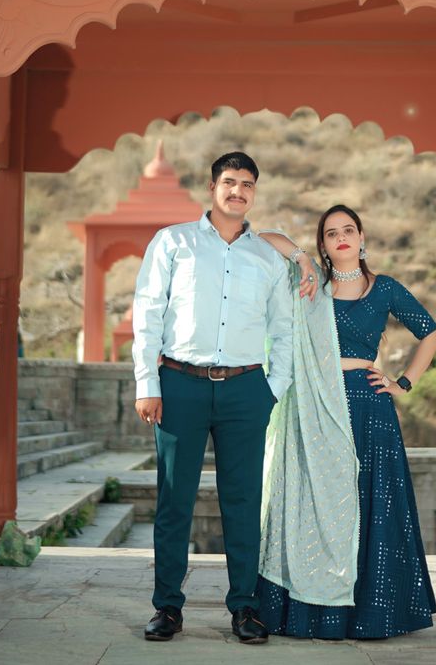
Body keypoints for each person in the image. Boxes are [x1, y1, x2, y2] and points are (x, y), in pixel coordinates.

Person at [132, 150, 304, 645]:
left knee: (244, 501)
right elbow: (147, 313)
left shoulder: (267, 257)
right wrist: (148, 383)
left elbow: (284, 328)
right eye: (229, 182)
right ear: (213, 188)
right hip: (179, 384)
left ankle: (244, 608)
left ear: (254, 192)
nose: (238, 191)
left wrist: (273, 389)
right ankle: (167, 607)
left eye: (247, 184)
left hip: (247, 389)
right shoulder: (173, 243)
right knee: (174, 501)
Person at [256, 204, 436, 640]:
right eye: (331, 233)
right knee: (314, 506)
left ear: (362, 239)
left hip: (368, 407)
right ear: (322, 244)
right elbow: (263, 235)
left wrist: (404, 383)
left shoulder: (385, 289)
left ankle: (369, 613)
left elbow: (430, 332)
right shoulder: (311, 285)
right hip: (314, 406)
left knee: (369, 506)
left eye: (349, 230)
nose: (341, 237)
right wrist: (301, 257)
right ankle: (308, 612)